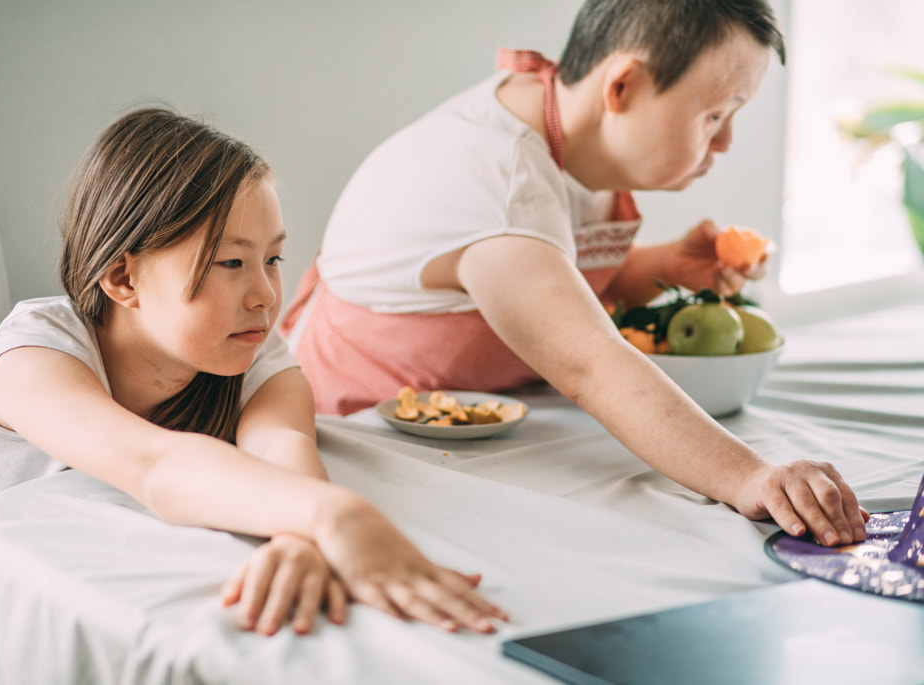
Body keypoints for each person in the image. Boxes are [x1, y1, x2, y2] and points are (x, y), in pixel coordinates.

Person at [281, 0, 870, 548]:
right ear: (623, 86)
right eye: (715, 113)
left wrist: (661, 267)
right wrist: (749, 475)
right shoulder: (496, 174)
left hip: (471, 429)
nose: (726, 141)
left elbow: (533, 279)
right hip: (354, 439)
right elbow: (590, 362)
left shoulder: (566, 133)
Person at [0, 108, 507, 637]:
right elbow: (156, 465)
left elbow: (284, 448)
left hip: (76, 584)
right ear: (123, 277)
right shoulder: (34, 354)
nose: (267, 293)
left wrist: (298, 538)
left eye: (272, 258)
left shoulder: (247, 352)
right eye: (232, 262)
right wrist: (338, 516)